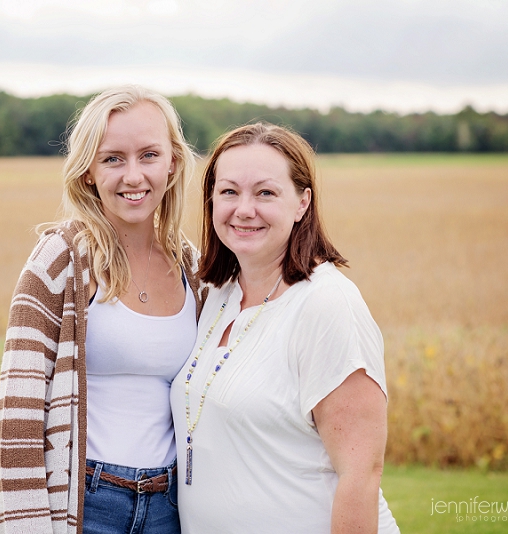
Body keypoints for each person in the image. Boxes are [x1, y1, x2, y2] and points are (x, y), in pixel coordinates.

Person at [0, 85, 206, 534]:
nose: (134, 176)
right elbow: (18, 413)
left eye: (149, 155)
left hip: (170, 506)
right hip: (83, 502)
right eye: (113, 158)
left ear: (173, 162)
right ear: (89, 171)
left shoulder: (193, 268)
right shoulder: (61, 259)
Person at [171, 122, 400, 533]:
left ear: (302, 203)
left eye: (265, 192)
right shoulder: (217, 295)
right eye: (228, 191)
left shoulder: (326, 304)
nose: (244, 209)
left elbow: (360, 474)